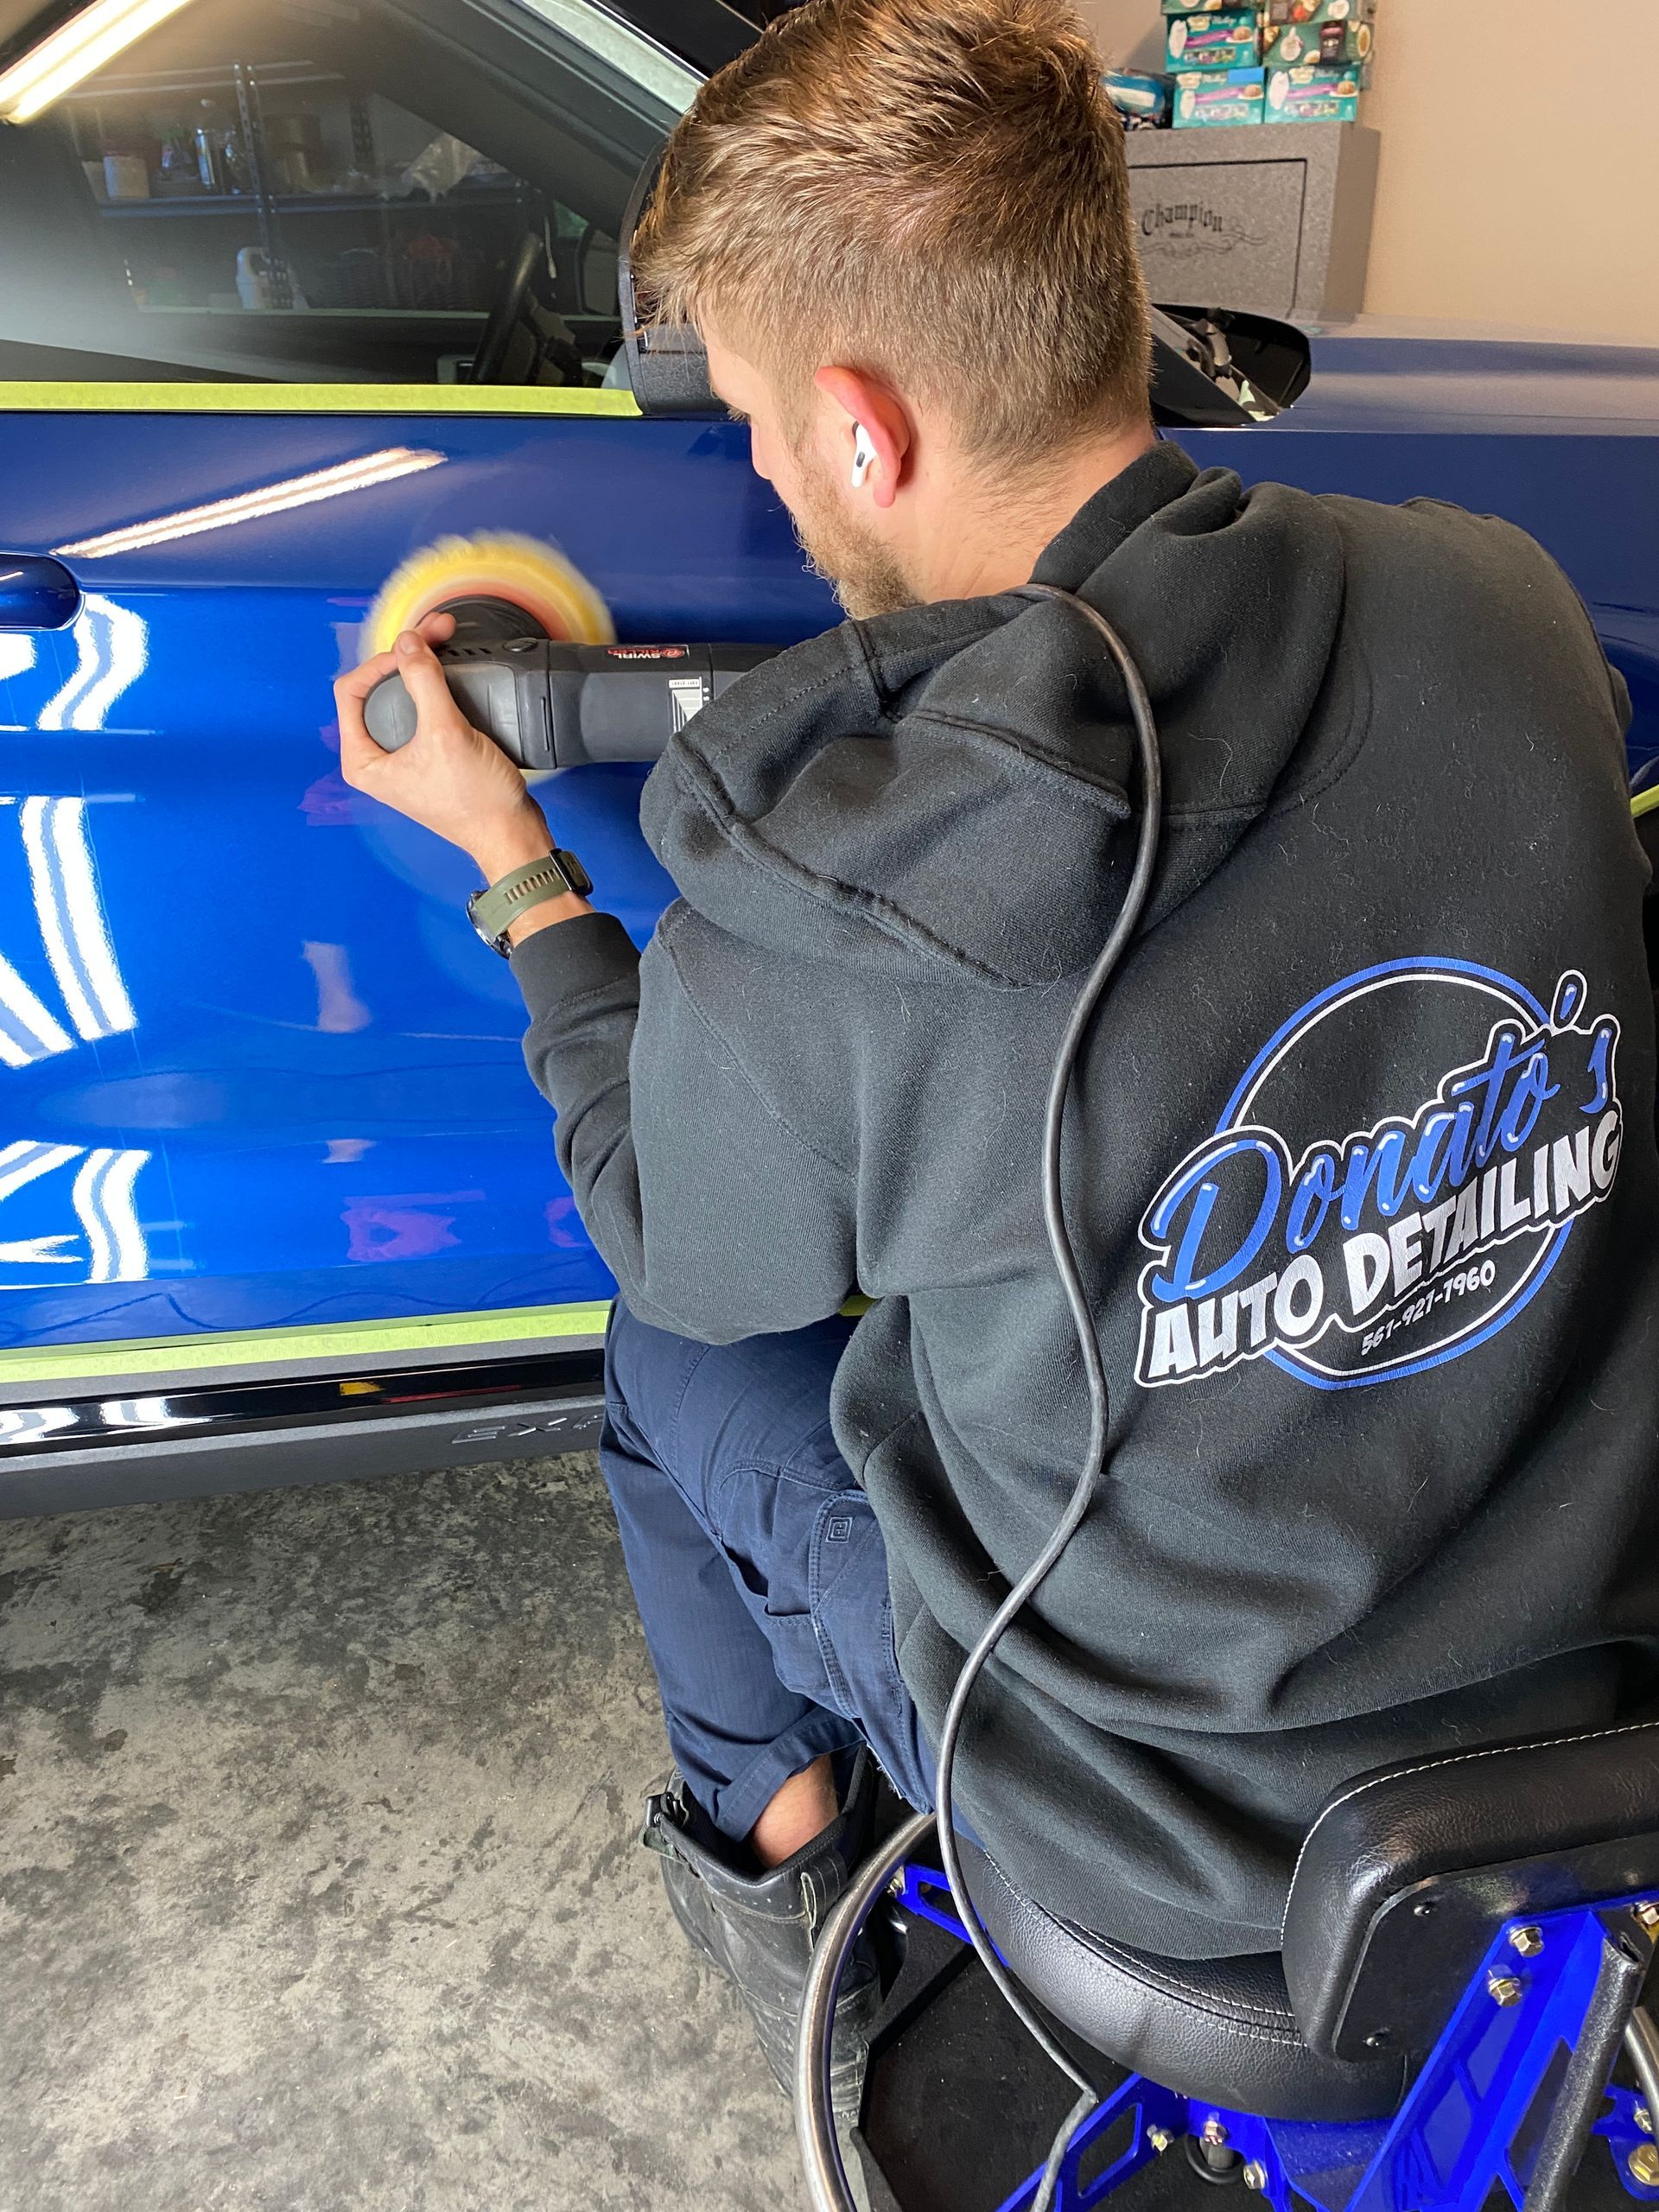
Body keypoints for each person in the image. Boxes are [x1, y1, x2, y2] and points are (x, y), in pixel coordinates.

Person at [335, 0, 1659, 2126]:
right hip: (1589, 1709)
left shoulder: (838, 906)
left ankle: (781, 1872)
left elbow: (687, 1238)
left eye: (759, 415)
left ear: (859, 427)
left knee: (671, 1362)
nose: (756, 461)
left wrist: (522, 879)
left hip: (1174, 1854)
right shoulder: (1501, 607)